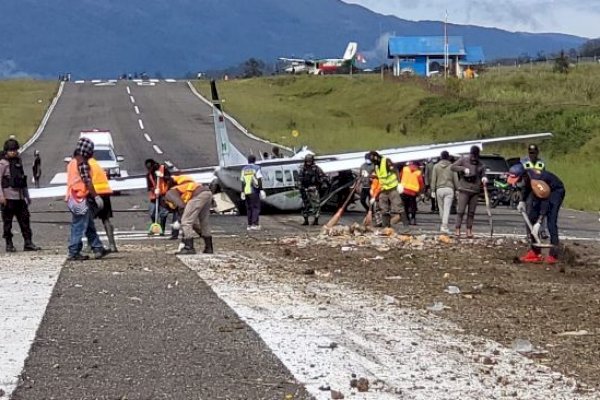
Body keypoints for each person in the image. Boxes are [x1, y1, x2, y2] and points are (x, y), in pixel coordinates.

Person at [511, 163, 565, 264]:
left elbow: (545, 201)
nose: (516, 183)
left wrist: (539, 222)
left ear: (522, 175)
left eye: (517, 180)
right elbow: (527, 187)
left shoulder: (536, 180)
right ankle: (535, 252)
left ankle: (554, 254)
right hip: (541, 191)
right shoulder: (527, 177)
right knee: (531, 216)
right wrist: (522, 201)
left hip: (555, 191)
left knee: (551, 221)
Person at [65, 137, 108, 261]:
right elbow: (87, 181)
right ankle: (73, 252)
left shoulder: (72, 162)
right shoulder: (82, 163)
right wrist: (96, 196)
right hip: (80, 198)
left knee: (88, 224)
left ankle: (97, 247)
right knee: (78, 225)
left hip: (72, 197)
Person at [0, 139, 41, 252]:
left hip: (19, 197)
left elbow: (22, 179)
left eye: (15, 150)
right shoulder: (3, 163)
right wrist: (1, 196)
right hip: (8, 198)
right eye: (11, 150)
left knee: (25, 220)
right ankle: (9, 244)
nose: (13, 152)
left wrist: (27, 195)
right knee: (7, 222)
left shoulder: (18, 161)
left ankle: (28, 242)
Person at [165, 175, 214, 254]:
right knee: (204, 222)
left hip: (198, 195)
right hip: (207, 193)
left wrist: (180, 220)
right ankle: (209, 247)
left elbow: (181, 206)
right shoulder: (184, 186)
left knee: (186, 222)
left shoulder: (170, 193)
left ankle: (189, 248)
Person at [451, 145, 487, 238]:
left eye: (476, 156)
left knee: (471, 212)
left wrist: (484, 178)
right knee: (461, 211)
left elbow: (483, 173)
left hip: (475, 190)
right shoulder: (463, 160)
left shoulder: (481, 164)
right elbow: (453, 167)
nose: (474, 158)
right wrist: (463, 169)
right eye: (473, 156)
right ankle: (457, 229)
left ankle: (469, 230)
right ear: (470, 154)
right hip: (464, 189)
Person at [368, 151, 409, 231]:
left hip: (392, 188)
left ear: (376, 157)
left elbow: (395, 171)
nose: (373, 163)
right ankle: (386, 227)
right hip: (384, 189)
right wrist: (369, 176)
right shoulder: (376, 166)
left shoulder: (386, 161)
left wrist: (399, 183)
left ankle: (406, 226)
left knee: (399, 207)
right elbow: (379, 177)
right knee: (383, 208)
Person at [88, 155, 117, 252]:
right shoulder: (95, 163)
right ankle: (112, 245)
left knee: (88, 220)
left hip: (94, 193)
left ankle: (91, 245)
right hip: (105, 192)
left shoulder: (86, 164)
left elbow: (87, 181)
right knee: (106, 219)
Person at [145, 159, 178, 239]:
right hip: (155, 196)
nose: (149, 169)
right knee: (152, 212)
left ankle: (162, 229)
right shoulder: (148, 175)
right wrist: (154, 190)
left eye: (150, 167)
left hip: (164, 195)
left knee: (163, 213)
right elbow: (149, 186)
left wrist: (162, 177)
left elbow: (170, 179)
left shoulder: (163, 169)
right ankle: (155, 227)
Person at [431, 151, 459, 234]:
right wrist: (457, 189)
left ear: (440, 156)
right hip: (449, 189)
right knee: (447, 209)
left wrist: (432, 190)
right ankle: (444, 226)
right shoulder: (452, 167)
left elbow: (433, 179)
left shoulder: (436, 166)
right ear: (448, 157)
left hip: (439, 189)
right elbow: (455, 179)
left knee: (441, 208)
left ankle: (443, 225)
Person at [297, 154, 327, 226]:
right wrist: (300, 186)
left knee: (316, 205)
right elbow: (299, 178)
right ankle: (306, 220)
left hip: (313, 189)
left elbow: (323, 176)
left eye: (310, 161)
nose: (308, 163)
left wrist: (322, 182)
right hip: (305, 189)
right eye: (307, 161)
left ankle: (316, 220)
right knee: (305, 205)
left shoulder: (316, 168)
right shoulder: (303, 169)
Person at [240, 154, 266, 230]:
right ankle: (255, 224)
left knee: (249, 208)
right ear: (255, 160)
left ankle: (249, 224)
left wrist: (242, 192)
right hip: (254, 191)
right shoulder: (257, 168)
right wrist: (261, 190)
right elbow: (259, 179)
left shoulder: (244, 169)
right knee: (256, 207)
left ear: (248, 160)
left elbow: (242, 182)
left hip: (246, 191)